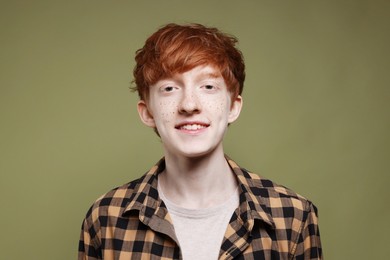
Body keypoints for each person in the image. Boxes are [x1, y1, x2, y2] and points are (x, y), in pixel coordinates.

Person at [78, 23, 322, 260]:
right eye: (169, 88)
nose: (189, 105)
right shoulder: (106, 217)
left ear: (233, 107)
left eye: (208, 86)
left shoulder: (293, 216)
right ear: (147, 112)